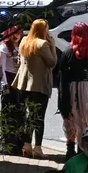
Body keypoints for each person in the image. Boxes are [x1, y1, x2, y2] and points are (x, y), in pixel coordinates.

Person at [55, 22, 88, 160]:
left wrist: (62, 99)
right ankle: (85, 148)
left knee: (70, 117)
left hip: (70, 89)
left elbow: (61, 77)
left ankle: (70, 148)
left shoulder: (67, 52)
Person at [15, 19, 59, 157]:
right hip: (39, 86)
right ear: (41, 30)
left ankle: (27, 145)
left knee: (28, 116)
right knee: (39, 117)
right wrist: (53, 46)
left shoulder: (24, 41)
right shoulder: (43, 44)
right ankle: (38, 148)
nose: (48, 31)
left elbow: (18, 61)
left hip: (24, 85)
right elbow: (52, 62)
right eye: (47, 28)